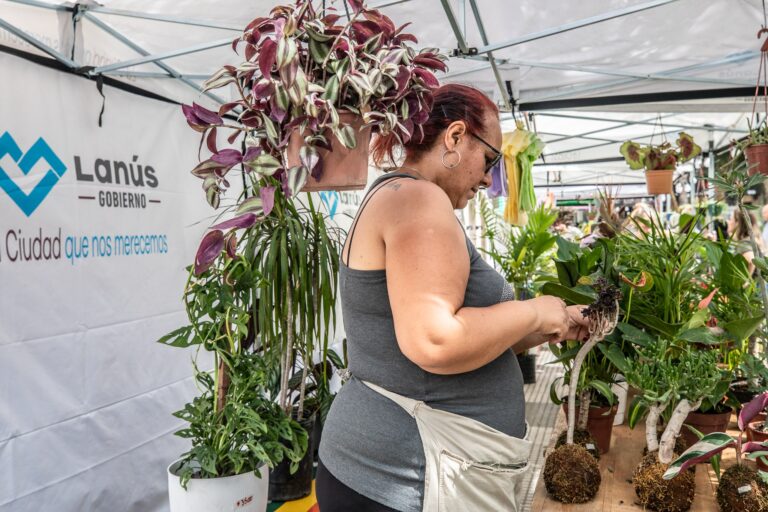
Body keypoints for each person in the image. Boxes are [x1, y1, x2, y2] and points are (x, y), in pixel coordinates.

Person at [316, 84, 591, 512]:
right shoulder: (419, 199)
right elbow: (436, 341)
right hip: (406, 477)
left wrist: (547, 325)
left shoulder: (401, 195)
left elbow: (469, 335)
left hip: (395, 471)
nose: (488, 178)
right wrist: (534, 309)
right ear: (455, 137)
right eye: (490, 160)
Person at [728, 208, 763, 275]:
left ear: (737, 223)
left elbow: (751, 261)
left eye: (731, 219)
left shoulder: (744, 243)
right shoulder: (748, 240)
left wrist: (745, 283)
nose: (728, 222)